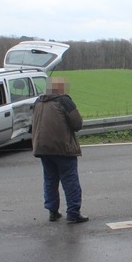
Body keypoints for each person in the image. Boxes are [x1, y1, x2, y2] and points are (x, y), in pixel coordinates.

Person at [31, 77, 89, 223]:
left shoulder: (38, 102)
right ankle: (73, 213)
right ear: (61, 88)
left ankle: (52, 212)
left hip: (42, 147)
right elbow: (77, 124)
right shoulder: (64, 101)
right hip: (62, 147)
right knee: (70, 181)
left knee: (50, 180)